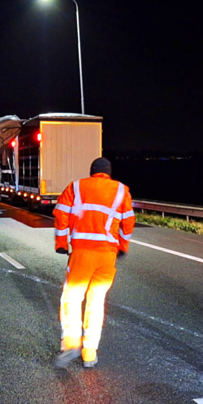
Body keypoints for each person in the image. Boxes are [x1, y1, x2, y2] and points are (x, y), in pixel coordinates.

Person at [52, 157, 134, 369]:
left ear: (92, 171)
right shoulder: (121, 190)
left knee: (72, 298)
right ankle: (90, 353)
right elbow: (128, 222)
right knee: (96, 302)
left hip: (82, 253)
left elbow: (61, 214)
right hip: (107, 255)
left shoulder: (77, 186)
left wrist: (61, 243)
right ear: (109, 172)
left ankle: (71, 344)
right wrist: (122, 246)